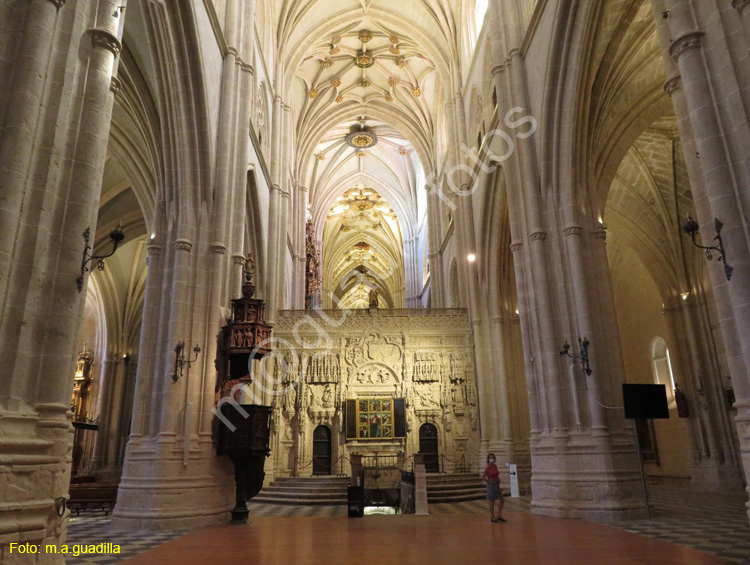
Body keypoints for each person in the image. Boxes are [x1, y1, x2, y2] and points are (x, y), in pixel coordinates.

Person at [482, 452, 505, 522]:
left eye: (492, 458)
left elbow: (496, 474)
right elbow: (483, 477)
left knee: (502, 499)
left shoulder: (495, 466)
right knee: (492, 501)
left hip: (497, 484)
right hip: (491, 485)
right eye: (490, 458)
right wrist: (489, 482)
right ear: (488, 459)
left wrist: (498, 480)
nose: (491, 459)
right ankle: (492, 516)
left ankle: (499, 515)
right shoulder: (487, 467)